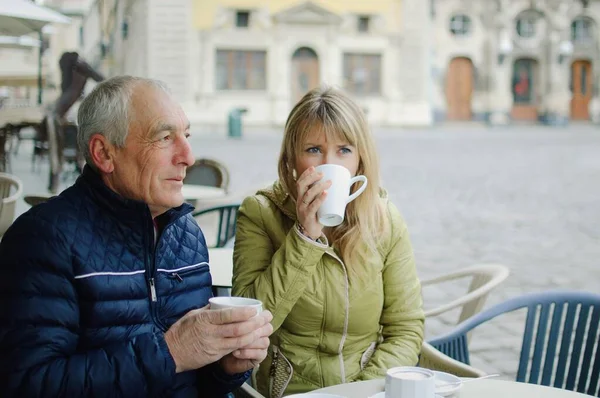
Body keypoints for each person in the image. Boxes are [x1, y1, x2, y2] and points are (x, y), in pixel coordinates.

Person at [0, 76, 273, 397]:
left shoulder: (186, 235)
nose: (188, 156)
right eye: (164, 137)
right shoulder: (42, 238)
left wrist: (226, 365)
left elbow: (197, 380)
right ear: (104, 153)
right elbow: (27, 385)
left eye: (185, 135)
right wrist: (170, 352)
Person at [232, 85, 425, 397]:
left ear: (361, 161)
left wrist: (362, 391)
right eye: (313, 150)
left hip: (365, 388)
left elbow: (405, 329)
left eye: (344, 150)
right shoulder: (260, 213)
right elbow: (250, 324)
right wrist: (304, 237)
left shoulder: (385, 221)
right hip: (289, 390)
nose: (328, 162)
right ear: (291, 159)